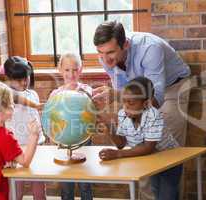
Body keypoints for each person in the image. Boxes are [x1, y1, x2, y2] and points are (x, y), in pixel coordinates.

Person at [92, 20, 191, 200]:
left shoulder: (149, 48)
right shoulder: (106, 56)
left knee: (168, 158)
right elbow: (128, 96)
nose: (105, 60)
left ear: (126, 44)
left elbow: (154, 97)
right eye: (100, 53)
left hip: (171, 88)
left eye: (111, 53)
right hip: (138, 94)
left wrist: (118, 103)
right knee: (144, 162)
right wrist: (107, 118)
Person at [99, 77, 182, 200]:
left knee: (166, 196)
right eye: (124, 102)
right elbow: (121, 143)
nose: (126, 106)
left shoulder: (153, 116)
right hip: (154, 160)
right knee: (156, 191)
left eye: (131, 103)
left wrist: (117, 154)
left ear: (146, 104)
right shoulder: (124, 114)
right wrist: (109, 127)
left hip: (170, 160)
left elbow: (148, 147)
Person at [0, 56, 46, 200]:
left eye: (26, 77)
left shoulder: (33, 94)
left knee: (39, 189)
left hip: (37, 146)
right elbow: (17, 98)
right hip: (16, 149)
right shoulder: (6, 96)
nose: (24, 82)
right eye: (19, 80)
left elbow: (36, 120)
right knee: (16, 190)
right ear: (8, 78)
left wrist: (43, 138)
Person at [49, 53, 93, 200]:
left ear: (81, 70)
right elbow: (50, 118)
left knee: (85, 182)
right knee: (66, 183)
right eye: (67, 70)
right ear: (60, 70)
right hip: (63, 141)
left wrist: (78, 92)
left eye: (75, 69)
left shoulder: (86, 89)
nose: (71, 74)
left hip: (84, 140)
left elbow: (90, 104)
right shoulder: (56, 94)